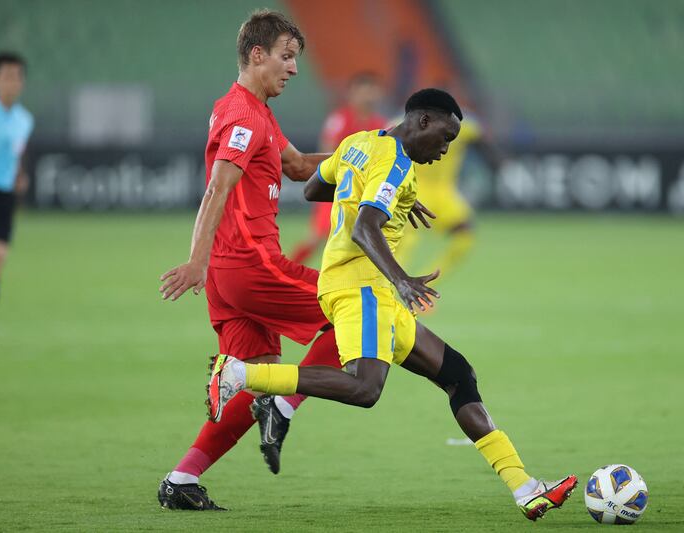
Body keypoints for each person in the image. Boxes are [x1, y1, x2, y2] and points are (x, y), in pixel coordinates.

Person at [208, 88, 577, 522]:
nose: (445, 150)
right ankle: (237, 374)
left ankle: (525, 488)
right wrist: (401, 278)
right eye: (444, 137)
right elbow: (366, 227)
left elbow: (312, 188)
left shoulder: (361, 142)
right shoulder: (398, 164)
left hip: (364, 287)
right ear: (422, 121)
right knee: (365, 388)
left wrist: (396, 200)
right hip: (363, 285)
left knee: (459, 375)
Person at [156, 10, 344, 510]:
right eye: (286, 57)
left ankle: (182, 479)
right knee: (361, 308)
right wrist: (195, 260)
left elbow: (302, 167)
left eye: (296, 59)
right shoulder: (243, 116)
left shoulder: (251, 110)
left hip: (229, 275)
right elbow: (219, 186)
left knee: (257, 372)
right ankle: (282, 406)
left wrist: (374, 158)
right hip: (250, 265)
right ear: (257, 54)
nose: (294, 69)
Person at [289, 72, 386, 265]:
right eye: (363, 91)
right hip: (334, 189)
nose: (367, 96)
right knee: (317, 236)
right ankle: (287, 272)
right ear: (352, 93)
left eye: (371, 92)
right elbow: (327, 150)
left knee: (362, 241)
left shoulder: (381, 125)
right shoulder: (341, 119)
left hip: (362, 193)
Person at [396, 114, 484, 278]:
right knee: (404, 240)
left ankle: (426, 285)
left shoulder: (463, 125)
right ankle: (389, 287)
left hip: (444, 192)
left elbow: (482, 140)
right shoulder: (406, 121)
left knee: (464, 237)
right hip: (415, 186)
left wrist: (500, 162)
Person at [0, 52, 33, 307]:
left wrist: (20, 176)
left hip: (5, 194)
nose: (12, 82)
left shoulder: (24, 119)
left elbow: (17, 153)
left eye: (17, 77)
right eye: (7, 76)